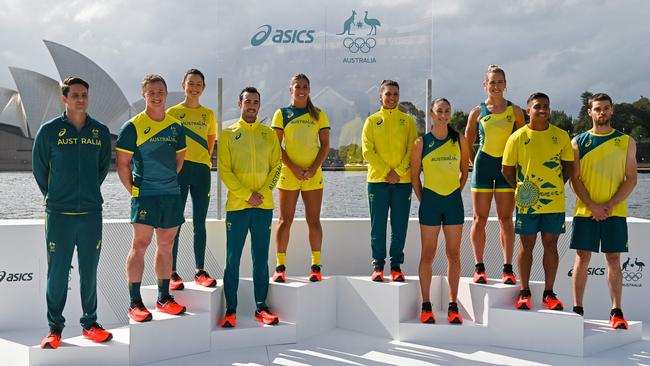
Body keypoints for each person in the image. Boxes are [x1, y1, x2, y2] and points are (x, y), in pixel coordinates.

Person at [33, 77, 113, 348]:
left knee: (89, 272)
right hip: (59, 215)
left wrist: (87, 192)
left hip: (91, 213)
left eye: (84, 95)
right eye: (75, 95)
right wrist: (57, 196)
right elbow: (40, 170)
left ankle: (90, 323)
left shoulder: (99, 131)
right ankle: (54, 329)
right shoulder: (49, 131)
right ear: (64, 98)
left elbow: (101, 168)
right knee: (57, 273)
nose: (81, 99)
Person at [116, 74, 187, 322]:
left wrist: (166, 182)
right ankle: (134, 303)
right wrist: (135, 191)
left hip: (170, 195)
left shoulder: (176, 126)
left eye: (160, 92)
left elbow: (179, 160)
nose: (157, 96)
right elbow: (122, 164)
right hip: (145, 195)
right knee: (140, 245)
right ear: (144, 95)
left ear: (166, 94)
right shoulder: (133, 126)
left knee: (166, 245)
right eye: (151, 92)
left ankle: (163, 298)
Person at [569, 93, 637, 329]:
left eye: (606, 108)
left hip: (614, 212)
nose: (602, 112)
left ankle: (616, 311)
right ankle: (577, 311)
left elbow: (631, 179)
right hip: (585, 211)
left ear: (612, 110)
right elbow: (574, 179)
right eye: (597, 108)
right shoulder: (578, 142)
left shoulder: (626, 141)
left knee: (614, 259)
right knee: (582, 258)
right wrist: (592, 205)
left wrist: (609, 205)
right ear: (590, 112)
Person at [502, 92, 573, 311]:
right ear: (528, 110)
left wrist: (554, 186)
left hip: (554, 203)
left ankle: (549, 293)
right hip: (527, 204)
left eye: (546, 106)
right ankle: (524, 292)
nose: (542, 109)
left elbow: (568, 167)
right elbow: (506, 170)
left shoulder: (561, 136)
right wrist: (523, 191)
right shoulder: (517, 137)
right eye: (537, 106)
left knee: (550, 245)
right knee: (527, 244)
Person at [218, 87, 282, 328]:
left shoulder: (268, 135)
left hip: (263, 206)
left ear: (259, 105)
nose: (252, 105)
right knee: (232, 259)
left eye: (255, 102)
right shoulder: (227, 134)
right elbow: (225, 170)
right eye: (247, 101)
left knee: (260, 259)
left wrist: (262, 193)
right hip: (237, 206)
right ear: (240, 103)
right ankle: (230, 309)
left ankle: (261, 307)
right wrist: (246, 195)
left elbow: (277, 167)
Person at [465, 65, 525, 284]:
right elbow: (467, 141)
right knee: (479, 219)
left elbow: (523, 141)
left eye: (500, 82)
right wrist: (475, 163)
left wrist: (516, 169)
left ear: (505, 84)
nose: (496, 86)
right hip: (483, 167)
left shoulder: (515, 111)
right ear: (485, 85)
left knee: (506, 219)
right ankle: (479, 267)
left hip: (506, 171)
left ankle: (507, 269)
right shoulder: (478, 112)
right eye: (492, 82)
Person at [411, 98, 469, 324]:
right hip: (430, 203)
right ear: (432, 115)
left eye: (447, 111)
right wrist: (424, 199)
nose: (443, 115)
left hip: (453, 202)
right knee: (428, 254)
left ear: (450, 114)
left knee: (454, 255)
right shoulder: (421, 142)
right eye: (439, 111)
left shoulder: (460, 140)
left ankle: (454, 305)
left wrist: (455, 192)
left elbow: (465, 172)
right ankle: (426, 306)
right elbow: (414, 176)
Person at [271, 74, 330, 283]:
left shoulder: (319, 114)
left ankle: (315, 266)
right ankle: (280, 267)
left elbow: (325, 145)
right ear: (291, 90)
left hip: (313, 175)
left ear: (309, 89)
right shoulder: (281, 114)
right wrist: (294, 168)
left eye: (305, 86)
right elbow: (276, 146)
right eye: (297, 87)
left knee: (313, 220)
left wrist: (313, 168)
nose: (301, 90)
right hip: (289, 174)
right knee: (285, 220)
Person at [362, 79, 418, 282]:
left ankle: (396, 266)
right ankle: (378, 266)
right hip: (378, 181)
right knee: (378, 226)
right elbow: (368, 151)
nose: (392, 97)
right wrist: (387, 172)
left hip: (403, 182)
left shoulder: (408, 121)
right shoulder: (371, 121)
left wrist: (400, 171)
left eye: (395, 94)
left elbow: (412, 149)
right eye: (388, 94)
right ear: (381, 96)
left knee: (399, 225)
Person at [166, 69, 218, 290]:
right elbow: (168, 143)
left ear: (203, 88)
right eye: (191, 83)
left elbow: (210, 143)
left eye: (199, 84)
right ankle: (172, 272)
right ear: (183, 85)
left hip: (202, 171)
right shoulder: (173, 113)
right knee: (175, 221)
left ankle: (199, 270)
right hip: (179, 170)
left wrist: (199, 159)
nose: (194, 87)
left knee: (200, 222)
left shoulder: (209, 114)